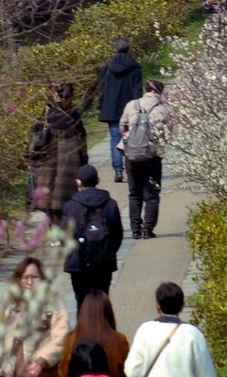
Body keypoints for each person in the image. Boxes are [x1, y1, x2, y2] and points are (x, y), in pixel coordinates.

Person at [60, 163, 124, 311]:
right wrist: (108, 251)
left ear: (78, 182)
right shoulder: (110, 204)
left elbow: (64, 235)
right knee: (102, 305)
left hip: (78, 263)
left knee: (82, 305)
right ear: (98, 180)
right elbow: (117, 235)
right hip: (104, 262)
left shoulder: (70, 206)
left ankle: (83, 332)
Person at [123, 282, 216, 377]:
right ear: (182, 306)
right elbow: (206, 372)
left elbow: (131, 370)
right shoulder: (193, 334)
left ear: (157, 306)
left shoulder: (145, 330)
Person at [29, 82, 89, 225]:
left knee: (49, 204)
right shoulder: (73, 116)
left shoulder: (46, 114)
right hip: (69, 166)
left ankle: (55, 233)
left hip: (47, 165)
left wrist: (31, 161)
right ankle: (63, 233)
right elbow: (82, 142)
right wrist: (84, 162)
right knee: (65, 204)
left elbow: (33, 141)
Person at [0, 257, 69, 377]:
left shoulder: (53, 306)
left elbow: (61, 338)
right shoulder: (11, 308)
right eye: (25, 277)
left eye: (34, 277)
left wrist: (41, 361)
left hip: (41, 371)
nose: (30, 282)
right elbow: (0, 342)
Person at [119, 78, 171, 239]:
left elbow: (122, 126)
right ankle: (148, 229)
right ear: (160, 92)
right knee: (152, 194)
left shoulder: (132, 104)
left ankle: (135, 229)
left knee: (134, 194)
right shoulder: (163, 109)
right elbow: (170, 131)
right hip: (152, 154)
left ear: (145, 90)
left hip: (132, 154)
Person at [97, 36, 143, 184]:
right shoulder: (135, 67)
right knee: (130, 138)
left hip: (110, 108)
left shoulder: (107, 66)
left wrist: (101, 104)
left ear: (115, 49)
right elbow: (137, 90)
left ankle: (118, 169)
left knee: (115, 138)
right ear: (128, 50)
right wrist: (138, 107)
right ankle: (132, 168)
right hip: (129, 108)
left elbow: (101, 88)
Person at [58, 290, 129, 377]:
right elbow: (126, 371)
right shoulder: (119, 340)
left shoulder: (70, 338)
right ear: (109, 313)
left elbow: (63, 371)